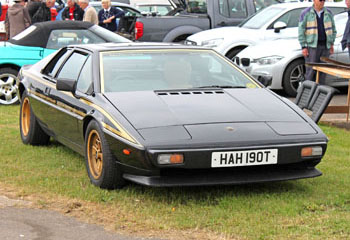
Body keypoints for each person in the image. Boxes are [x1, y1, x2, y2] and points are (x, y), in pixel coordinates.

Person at [298, 0, 336, 83]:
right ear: (314, 0)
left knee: (323, 71)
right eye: (320, 0)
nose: (322, 2)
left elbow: (333, 29)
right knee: (310, 71)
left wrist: (331, 43)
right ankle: (308, 93)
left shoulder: (328, 12)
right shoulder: (306, 13)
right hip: (312, 47)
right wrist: (304, 46)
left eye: (324, 0)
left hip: (325, 46)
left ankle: (321, 92)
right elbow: (301, 30)